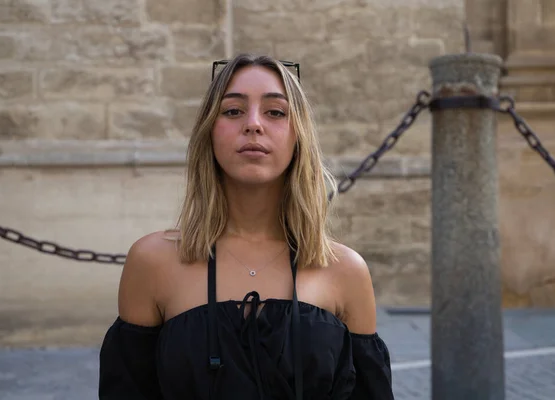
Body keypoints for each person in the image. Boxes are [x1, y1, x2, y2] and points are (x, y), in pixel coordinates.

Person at [98, 53, 395, 400]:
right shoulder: (152, 262)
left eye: (275, 112)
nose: (253, 124)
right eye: (233, 111)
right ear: (209, 132)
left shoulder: (345, 271)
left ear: (299, 136)